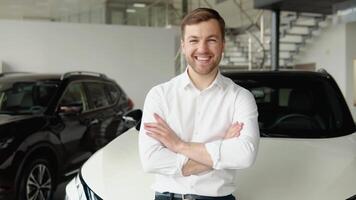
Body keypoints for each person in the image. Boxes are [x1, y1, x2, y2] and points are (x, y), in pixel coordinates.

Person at [139, 7, 260, 200]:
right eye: (194, 40)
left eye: (211, 40)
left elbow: (245, 155)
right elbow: (151, 160)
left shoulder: (240, 97)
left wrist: (178, 145)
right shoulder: (159, 95)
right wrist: (221, 149)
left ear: (222, 45)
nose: (202, 49)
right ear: (183, 46)